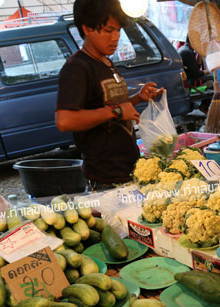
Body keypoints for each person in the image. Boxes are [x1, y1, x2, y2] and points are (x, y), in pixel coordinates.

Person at [55, 0, 163, 189]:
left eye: (118, 30)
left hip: (128, 170)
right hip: (105, 179)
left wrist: (138, 97)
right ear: (87, 28)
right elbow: (65, 120)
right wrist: (117, 111)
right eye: (108, 30)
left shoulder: (105, 63)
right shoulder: (77, 68)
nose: (115, 38)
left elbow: (111, 106)